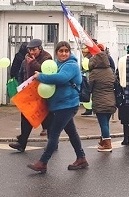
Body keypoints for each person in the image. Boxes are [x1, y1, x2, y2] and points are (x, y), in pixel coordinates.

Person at [27, 41, 88, 173]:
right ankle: (81, 158)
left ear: (70, 52)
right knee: (72, 132)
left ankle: (43, 162)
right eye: (61, 51)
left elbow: (61, 78)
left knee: (53, 133)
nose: (64, 53)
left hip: (67, 105)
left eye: (66, 51)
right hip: (60, 105)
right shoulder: (57, 65)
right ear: (56, 53)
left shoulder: (71, 65)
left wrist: (41, 76)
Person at [9, 38, 54, 152]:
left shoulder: (47, 57)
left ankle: (53, 142)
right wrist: (21, 86)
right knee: (25, 116)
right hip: (29, 93)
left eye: (34, 50)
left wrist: (33, 63)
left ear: (40, 48)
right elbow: (21, 73)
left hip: (43, 93)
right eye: (30, 50)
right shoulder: (26, 59)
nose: (32, 52)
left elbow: (45, 71)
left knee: (47, 119)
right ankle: (22, 143)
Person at [88, 50, 117, 152]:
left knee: (103, 123)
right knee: (106, 122)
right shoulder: (110, 71)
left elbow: (89, 88)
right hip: (111, 101)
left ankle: (107, 144)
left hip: (99, 101)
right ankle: (103, 141)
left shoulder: (94, 73)